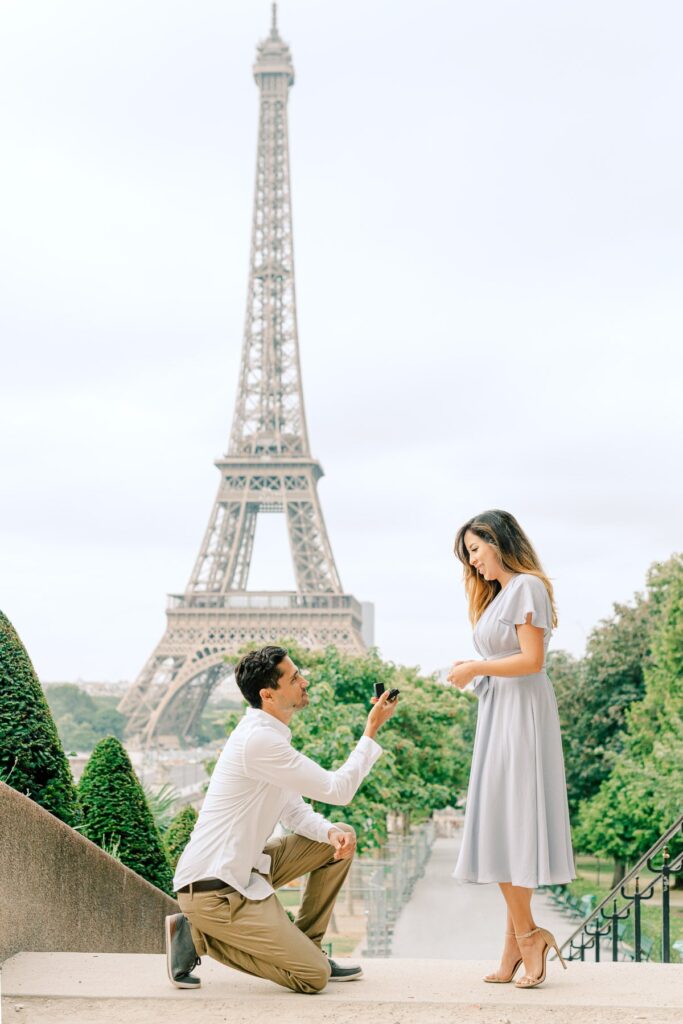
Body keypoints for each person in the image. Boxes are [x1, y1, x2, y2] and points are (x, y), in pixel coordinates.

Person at [165, 644, 398, 994]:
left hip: (241, 869)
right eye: (294, 678)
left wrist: (329, 831)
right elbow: (339, 790)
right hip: (213, 890)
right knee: (312, 977)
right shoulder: (259, 741)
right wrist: (371, 730)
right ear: (268, 694)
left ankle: (307, 946)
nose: (304, 681)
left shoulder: (269, 737)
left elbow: (293, 810)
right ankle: (198, 935)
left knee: (341, 834)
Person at [448, 510, 574, 989]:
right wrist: (477, 668)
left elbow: (532, 660)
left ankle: (527, 937)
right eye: (467, 556)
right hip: (501, 713)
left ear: (498, 540)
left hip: (521, 716)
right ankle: (514, 949)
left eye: (475, 550)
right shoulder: (502, 594)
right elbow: (509, 658)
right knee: (506, 825)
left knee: (508, 823)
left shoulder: (526, 587)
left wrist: (476, 668)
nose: (472, 562)